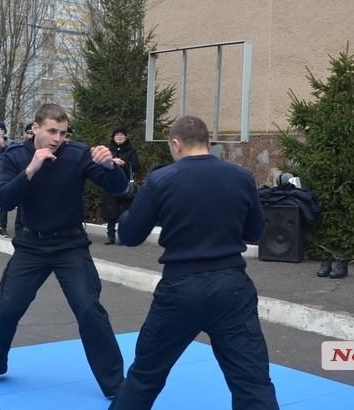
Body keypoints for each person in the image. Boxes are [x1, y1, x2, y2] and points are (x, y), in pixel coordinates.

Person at [108, 115, 278, 410]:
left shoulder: (162, 180)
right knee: (252, 382)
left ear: (175, 144)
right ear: (209, 143)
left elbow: (131, 235)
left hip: (180, 289)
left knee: (145, 376)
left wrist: (132, 207)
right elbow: (254, 232)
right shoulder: (241, 177)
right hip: (231, 287)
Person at [0, 103, 127, 398]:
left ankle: (115, 385)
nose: (57, 138)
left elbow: (117, 187)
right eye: (51, 131)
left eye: (62, 132)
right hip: (31, 244)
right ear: (35, 129)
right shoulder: (16, 156)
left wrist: (110, 166)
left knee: (88, 308)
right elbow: (4, 200)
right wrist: (31, 169)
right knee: (7, 307)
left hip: (70, 244)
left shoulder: (77, 154)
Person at [101, 126, 140, 245]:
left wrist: (124, 163)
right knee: (110, 212)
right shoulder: (107, 150)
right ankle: (110, 236)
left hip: (124, 185)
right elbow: (99, 164)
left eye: (122, 135)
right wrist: (111, 163)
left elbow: (137, 166)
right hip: (110, 183)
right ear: (113, 137)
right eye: (117, 135)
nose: (119, 137)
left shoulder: (131, 151)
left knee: (124, 213)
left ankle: (122, 237)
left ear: (126, 137)